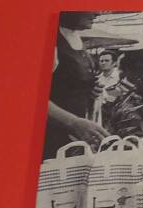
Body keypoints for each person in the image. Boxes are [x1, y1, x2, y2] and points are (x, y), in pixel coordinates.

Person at [44, 12, 109, 159]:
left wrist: (90, 90)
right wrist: (72, 121)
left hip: (73, 136)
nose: (97, 13)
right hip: (50, 136)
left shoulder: (75, 38)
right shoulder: (50, 40)